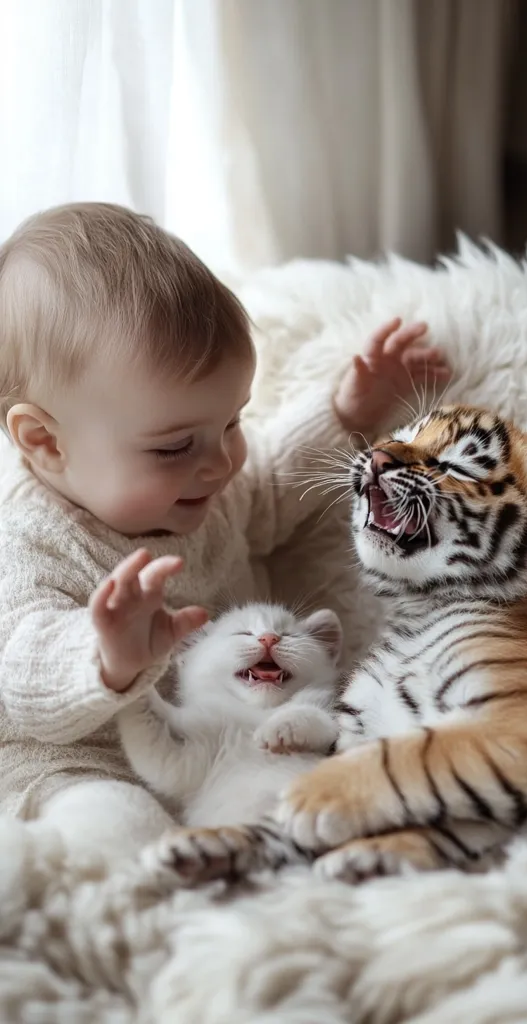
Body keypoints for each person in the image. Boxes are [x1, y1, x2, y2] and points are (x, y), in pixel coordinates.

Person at [0, 203, 449, 861]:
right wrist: (108, 654)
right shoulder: (30, 544)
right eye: (175, 445)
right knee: (120, 829)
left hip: (223, 750)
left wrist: (342, 411)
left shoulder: (206, 490)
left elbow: (271, 486)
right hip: (75, 762)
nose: (219, 461)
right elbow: (21, 675)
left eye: (232, 423)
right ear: (45, 442)